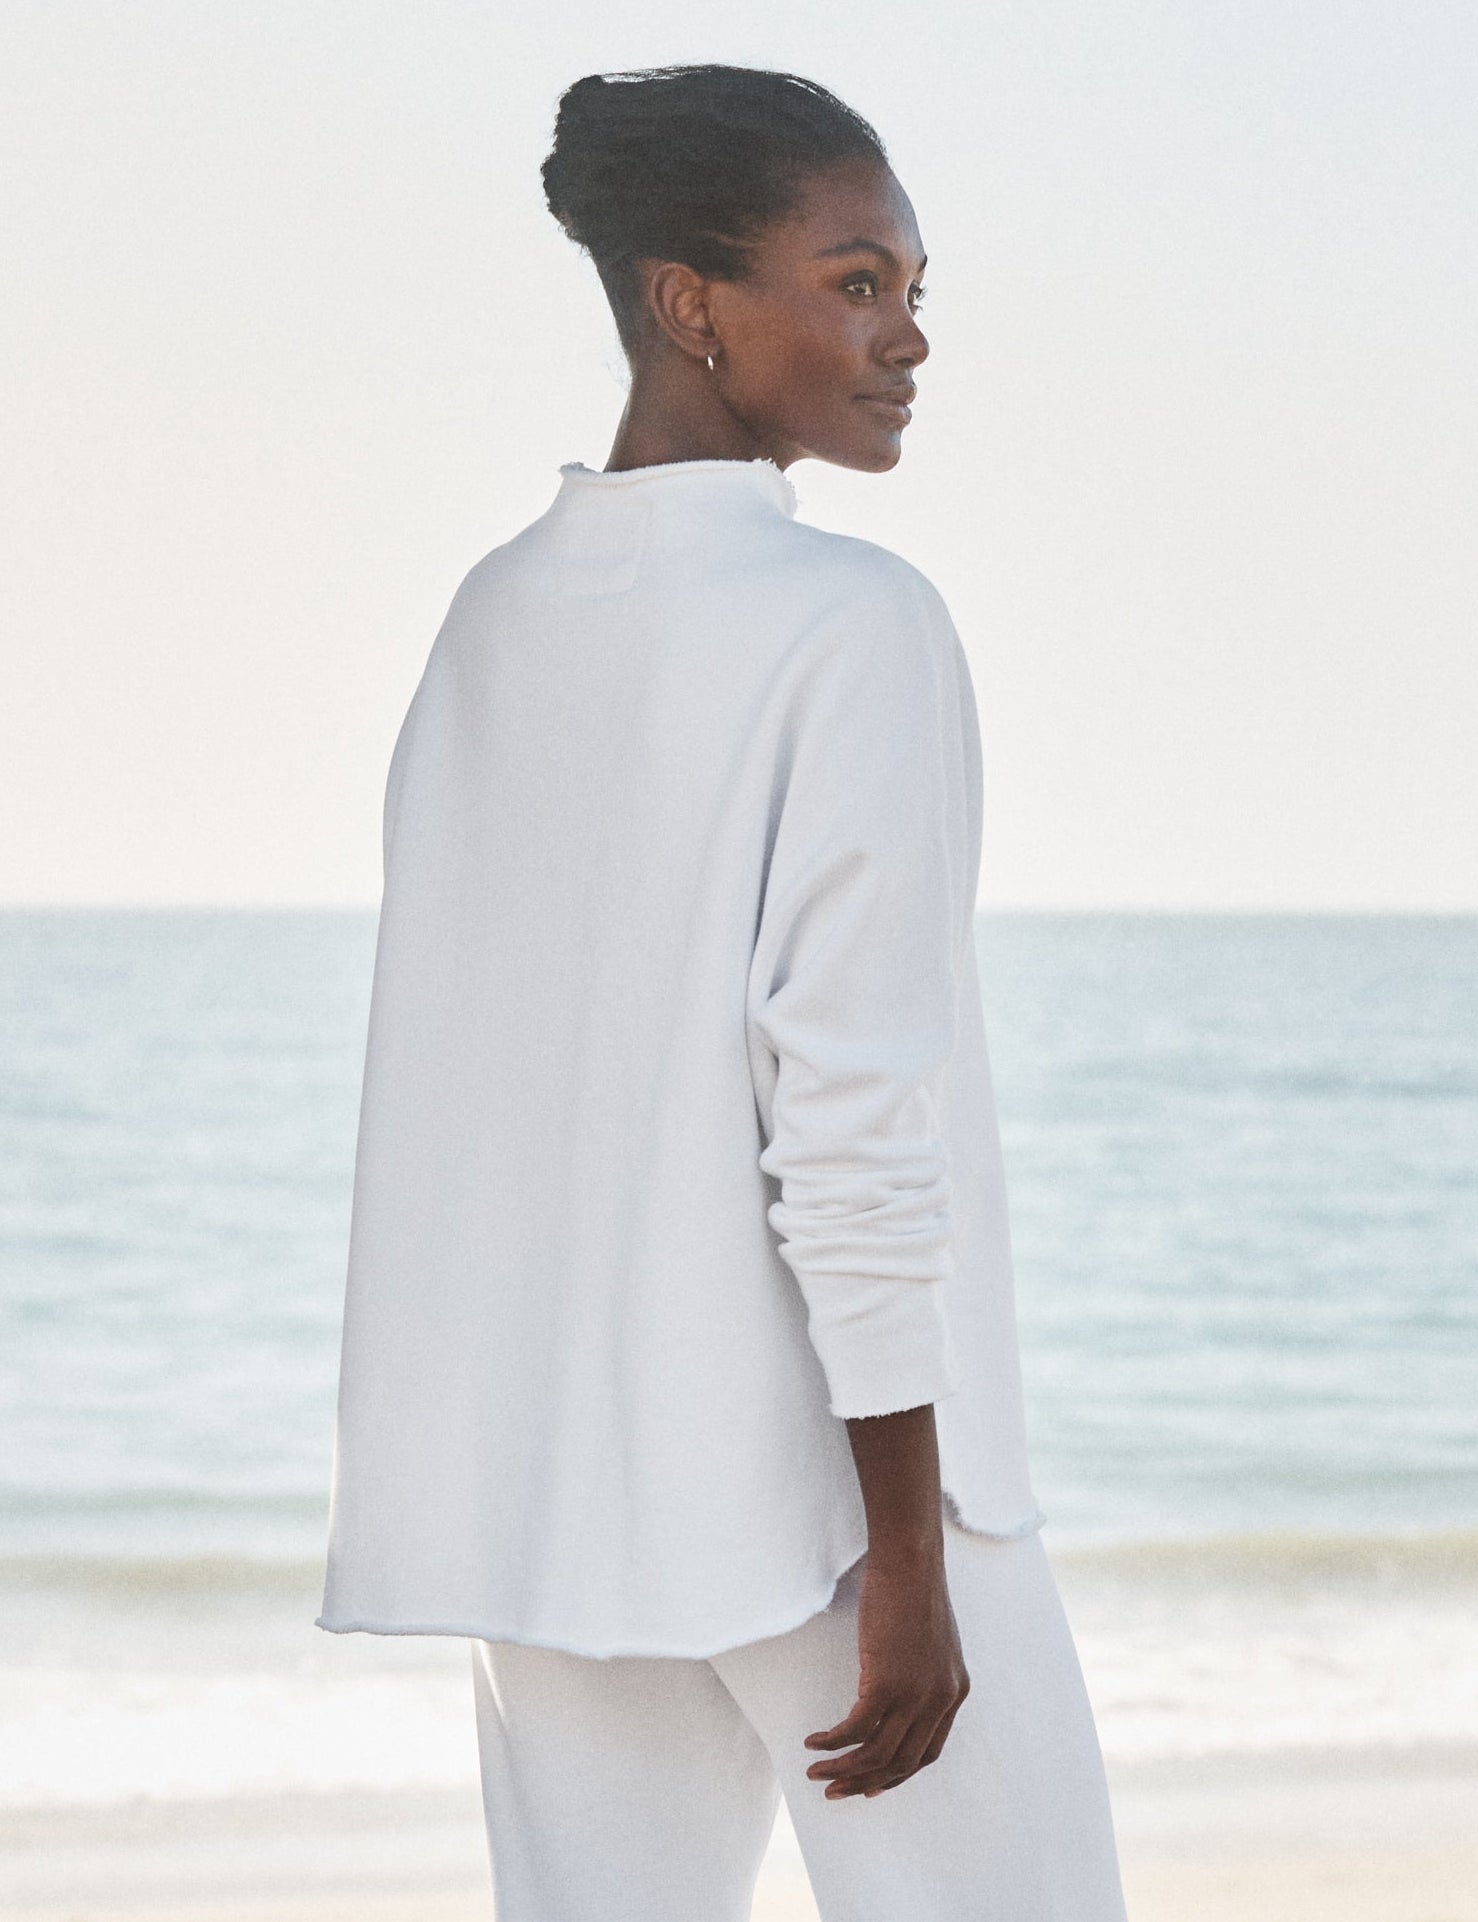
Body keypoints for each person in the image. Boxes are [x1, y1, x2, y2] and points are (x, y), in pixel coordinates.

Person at [316, 62, 1128, 1922]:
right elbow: (847, 1115)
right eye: (856, 284)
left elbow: (491, 1098)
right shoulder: (853, 626)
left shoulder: (489, 619)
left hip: (562, 1515)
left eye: (915, 288)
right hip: (827, 1516)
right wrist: (907, 1559)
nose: (907, 336)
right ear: (687, 302)